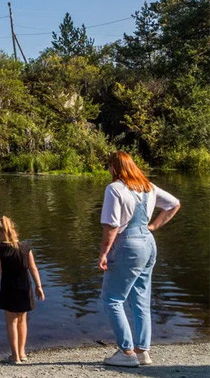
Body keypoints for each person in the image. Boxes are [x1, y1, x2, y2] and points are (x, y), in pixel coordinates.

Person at [98, 151, 181, 367]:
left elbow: (111, 226)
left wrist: (104, 253)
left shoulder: (114, 189)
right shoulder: (148, 187)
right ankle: (142, 351)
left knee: (112, 299)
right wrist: (152, 227)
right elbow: (174, 204)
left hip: (128, 246)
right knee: (141, 300)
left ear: (115, 168)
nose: (109, 170)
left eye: (109, 167)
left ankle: (126, 353)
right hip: (148, 244)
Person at [0, 216, 44, 364]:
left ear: (0, 232)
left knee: (11, 322)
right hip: (25, 287)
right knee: (22, 320)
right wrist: (39, 286)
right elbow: (33, 268)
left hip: (9, 288)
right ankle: (22, 353)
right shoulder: (25, 247)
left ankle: (15, 356)